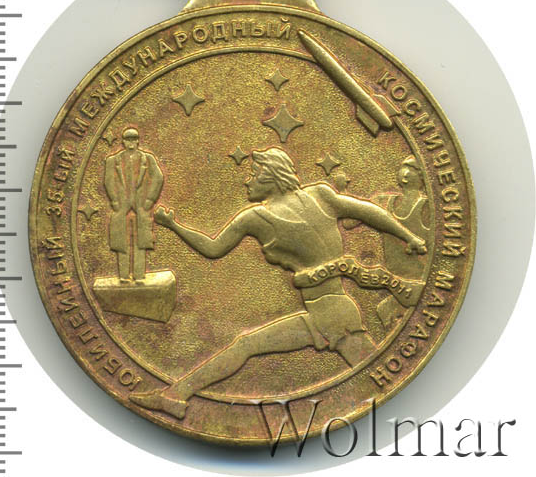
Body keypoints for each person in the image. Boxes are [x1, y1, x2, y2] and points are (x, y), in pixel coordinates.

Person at [130, 147, 426, 418]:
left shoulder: (256, 218)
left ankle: (174, 396)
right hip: (330, 310)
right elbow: (368, 211)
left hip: (331, 314)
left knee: (377, 373)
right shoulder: (320, 195)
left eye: (254, 173)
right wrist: (408, 236)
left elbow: (213, 248)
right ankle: (175, 396)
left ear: (272, 176)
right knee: (376, 372)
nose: (248, 181)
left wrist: (173, 225)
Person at [374, 155, 429, 330]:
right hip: (391, 281)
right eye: (404, 168)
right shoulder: (383, 202)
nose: (404, 173)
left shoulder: (427, 207)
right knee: (385, 313)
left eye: (411, 169)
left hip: (415, 282)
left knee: (386, 312)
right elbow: (348, 223)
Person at [104, 128, 163, 283]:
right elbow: (108, 180)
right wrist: (114, 200)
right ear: (123, 142)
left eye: (133, 139)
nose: (130, 143)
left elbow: (158, 178)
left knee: (140, 241)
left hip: (141, 205)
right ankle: (123, 276)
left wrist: (150, 199)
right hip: (121, 205)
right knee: (121, 241)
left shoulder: (147, 159)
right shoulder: (112, 160)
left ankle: (139, 276)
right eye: (127, 140)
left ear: (137, 141)